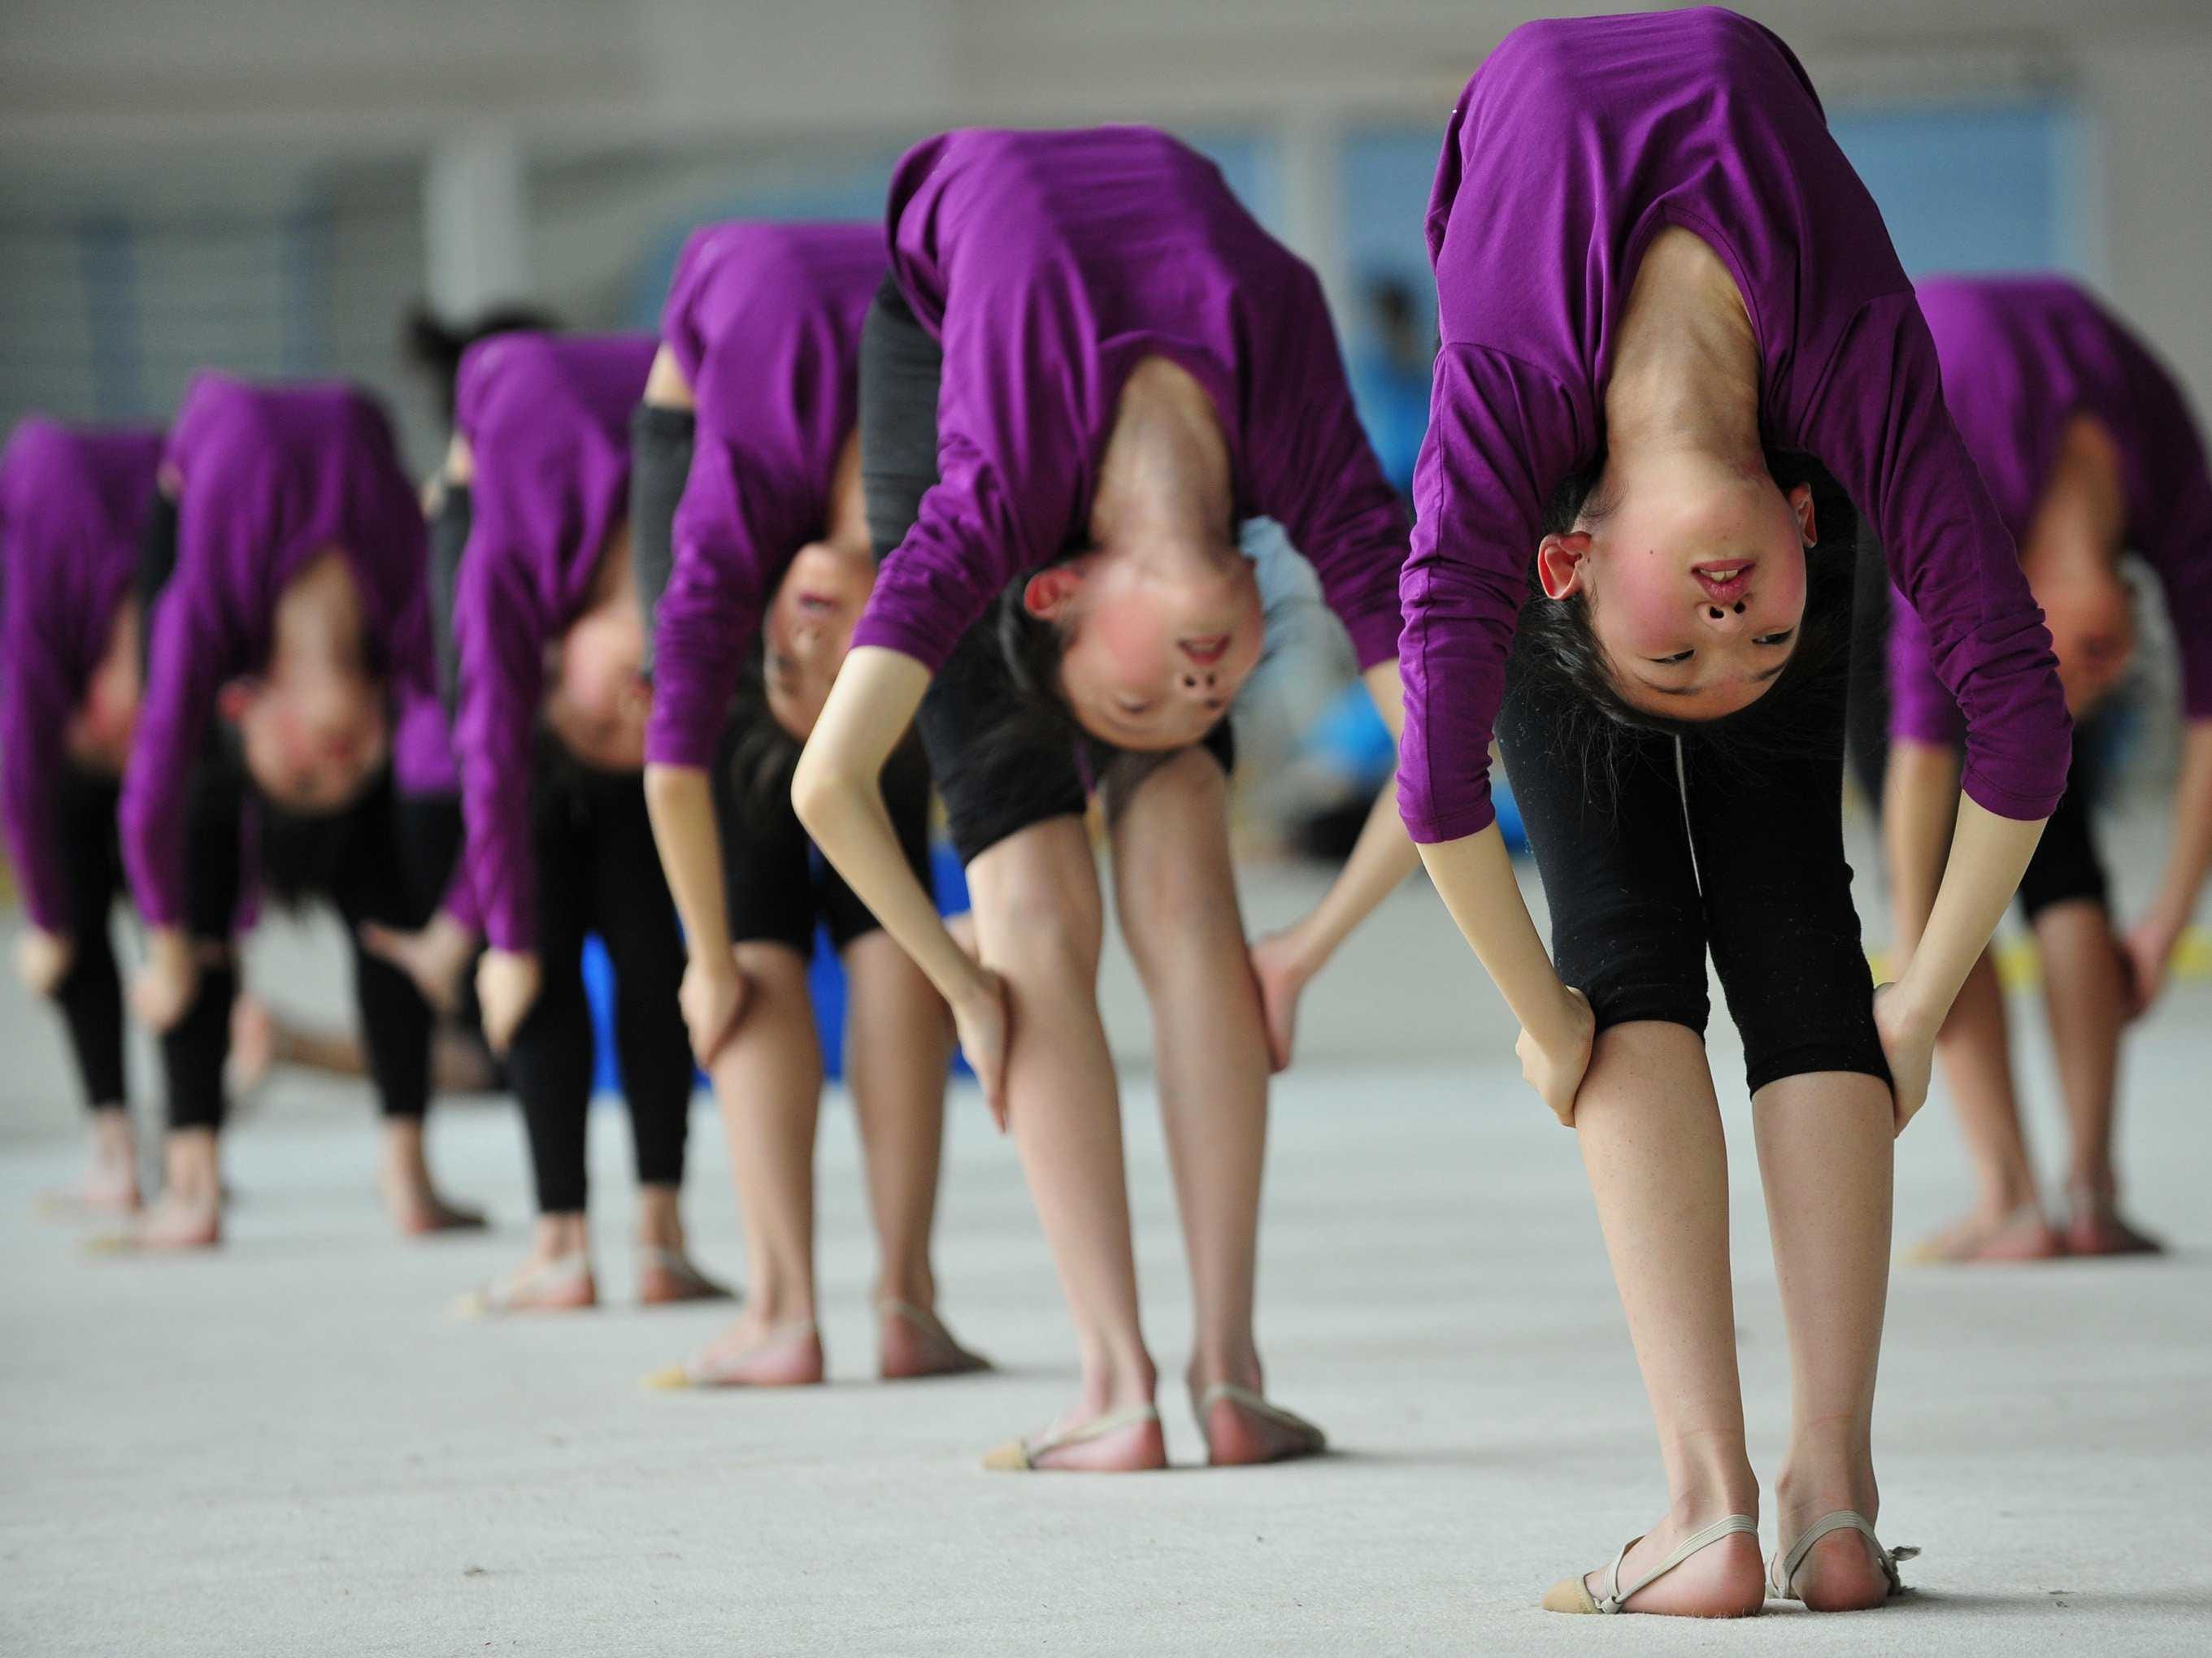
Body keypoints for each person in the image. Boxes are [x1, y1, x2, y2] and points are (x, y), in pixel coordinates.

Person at [1397, 10, 2069, 1614]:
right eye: (1725, 639)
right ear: (1551, 563)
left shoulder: (1540, 387)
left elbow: (2022, 720)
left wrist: (1924, 999)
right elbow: (1430, 777)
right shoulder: (1809, 378)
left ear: (1805, 521)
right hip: (1631, 403)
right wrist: (1545, 1017)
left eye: (1758, 637)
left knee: (1788, 934)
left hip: (1621, 340)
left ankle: (1821, 1493)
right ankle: (1725, 1499)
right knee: (1629, 947)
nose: (1728, 623)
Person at [791, 127, 1421, 1468]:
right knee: (1031, 903)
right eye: (1155, 708)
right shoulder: (986, 501)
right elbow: (827, 782)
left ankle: (1227, 1367)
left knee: (1190, 894)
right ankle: (1118, 1377)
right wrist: (960, 987)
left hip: (1115, 286)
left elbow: (1448, 750)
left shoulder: (1301, 435)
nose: (1196, 699)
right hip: (941, 315)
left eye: (1194, 701)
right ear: (1054, 586)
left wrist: (1303, 948)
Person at [631, 221, 985, 1384]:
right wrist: (706, 958)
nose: (810, 637)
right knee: (755, 912)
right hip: (774, 329)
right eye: (800, 657)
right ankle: (791, 1304)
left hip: (818, 316)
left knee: (872, 905)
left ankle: (902, 1295)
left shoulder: (912, 555)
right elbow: (672, 763)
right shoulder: (736, 538)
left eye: (807, 659)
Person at [1860, 275, 2212, 1261]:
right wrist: (1913, 959)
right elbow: (1920, 759)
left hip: (1998, 373)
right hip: (1893, 410)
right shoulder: (1949, 496)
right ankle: (2033, 1190)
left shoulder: (2174, 487)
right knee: (1937, 864)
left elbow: (2211, 731)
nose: (2095, 675)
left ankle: (2058, 1193)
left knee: (2035, 821)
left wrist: (2167, 923)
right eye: (2087, 666)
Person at [116, 374, 485, 1248]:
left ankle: (408, 1167)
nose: (343, 763)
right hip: (195, 461)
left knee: (384, 897)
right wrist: (167, 943)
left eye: (313, 771)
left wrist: (457, 925)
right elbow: (148, 798)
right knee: (199, 868)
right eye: (330, 771)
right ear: (240, 706)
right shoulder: (213, 621)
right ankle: (192, 1178)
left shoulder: (398, 638)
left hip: (287, 434)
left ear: (258, 705)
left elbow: (502, 784)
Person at [428, 330, 728, 1313]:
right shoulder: (499, 574)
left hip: (633, 402)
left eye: (638, 712)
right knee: (540, 950)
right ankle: (562, 1239)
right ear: (546, 662)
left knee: (652, 952)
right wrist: (501, 940)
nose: (631, 719)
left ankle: (659, 1231)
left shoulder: (698, 547)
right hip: (504, 415)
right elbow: (486, 756)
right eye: (611, 718)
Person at [3, 419, 166, 1211]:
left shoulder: (185, 614)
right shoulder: (35, 628)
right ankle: (114, 1146)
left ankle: (191, 1140)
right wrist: (47, 921)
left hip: (142, 614)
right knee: (74, 910)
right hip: (81, 667)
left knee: (175, 901)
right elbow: (20, 775)